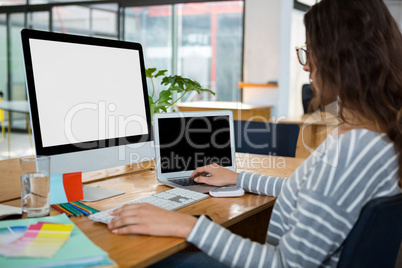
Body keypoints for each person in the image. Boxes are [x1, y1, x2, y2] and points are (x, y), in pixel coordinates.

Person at [108, 0, 402, 266]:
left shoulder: (353, 149)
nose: (308, 64)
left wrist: (186, 226)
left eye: (311, 50)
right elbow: (315, 198)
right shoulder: (378, 136)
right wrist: (239, 178)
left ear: (342, 57)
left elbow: (286, 264)